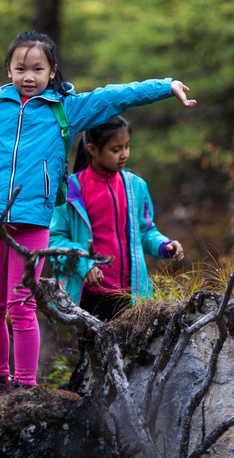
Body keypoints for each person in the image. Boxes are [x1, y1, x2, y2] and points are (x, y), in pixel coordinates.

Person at [0, 29, 195, 391]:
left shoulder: (66, 111)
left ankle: (25, 387)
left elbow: (117, 97)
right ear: (8, 70)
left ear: (52, 71)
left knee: (21, 307)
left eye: (37, 69)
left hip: (33, 225)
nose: (28, 77)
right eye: (20, 68)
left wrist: (166, 86)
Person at [49, 115, 185, 321]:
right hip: (91, 298)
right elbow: (55, 239)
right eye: (115, 149)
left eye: (127, 147)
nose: (124, 155)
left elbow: (145, 231)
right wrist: (85, 264)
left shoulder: (135, 185)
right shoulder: (71, 190)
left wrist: (163, 245)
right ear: (93, 149)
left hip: (133, 298)